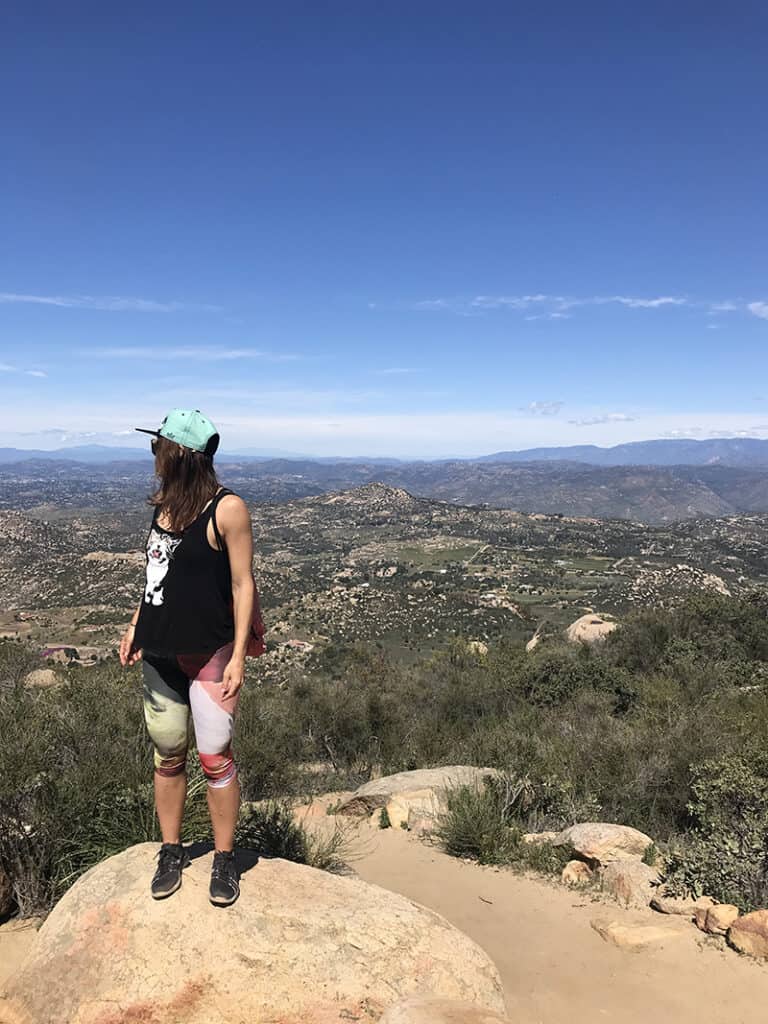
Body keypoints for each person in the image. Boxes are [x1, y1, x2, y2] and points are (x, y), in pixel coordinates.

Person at [119, 408, 265, 907]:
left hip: (211, 652)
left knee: (215, 756)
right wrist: (136, 625)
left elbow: (244, 584)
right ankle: (171, 849)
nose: (153, 454)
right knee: (168, 754)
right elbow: (154, 578)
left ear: (179, 453)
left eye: (158, 445)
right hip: (159, 651)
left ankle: (224, 858)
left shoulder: (227, 510)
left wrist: (239, 655)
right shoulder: (162, 508)